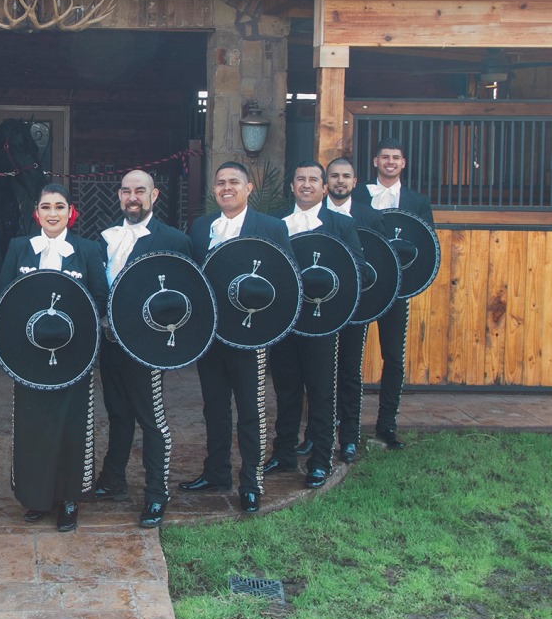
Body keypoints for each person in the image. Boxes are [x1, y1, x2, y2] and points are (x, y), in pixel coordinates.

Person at [179, 161, 292, 513]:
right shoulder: (200, 228)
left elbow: (287, 276)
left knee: (250, 409)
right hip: (211, 334)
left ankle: (252, 482)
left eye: (234, 182)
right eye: (220, 183)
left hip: (250, 334)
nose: (226, 188)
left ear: (248, 188)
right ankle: (216, 473)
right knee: (214, 405)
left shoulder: (271, 227)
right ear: (214, 190)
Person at [0, 183, 108, 532]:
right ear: (37, 213)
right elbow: (4, 299)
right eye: (46, 207)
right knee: (33, 426)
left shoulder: (88, 250)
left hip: (75, 355)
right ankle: (36, 498)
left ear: (70, 212)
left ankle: (70, 499)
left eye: (59, 206)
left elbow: (101, 300)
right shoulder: (19, 248)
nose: (52, 213)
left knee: (72, 426)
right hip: (28, 355)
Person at [87, 169, 190, 529]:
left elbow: (184, 296)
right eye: (127, 191)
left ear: (154, 196)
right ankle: (113, 480)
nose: (133, 197)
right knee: (117, 413)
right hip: (110, 343)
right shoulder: (103, 239)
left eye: (140, 191)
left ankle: (156, 495)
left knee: (152, 419)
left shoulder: (174, 240)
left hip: (147, 346)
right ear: (119, 196)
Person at [263, 160, 365, 489]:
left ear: (324, 188)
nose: (306, 184)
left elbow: (358, 269)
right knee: (286, 389)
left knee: (321, 392)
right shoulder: (275, 221)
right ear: (291, 187)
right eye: (300, 179)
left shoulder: (341, 224)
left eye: (313, 180)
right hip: (284, 320)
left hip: (323, 320)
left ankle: (321, 459)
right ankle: (284, 453)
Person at [351, 139, 435, 449]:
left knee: (394, 358)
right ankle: (348, 423)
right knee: (351, 358)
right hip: (364, 289)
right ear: (375, 161)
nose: (390, 162)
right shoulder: (358, 195)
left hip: (398, 292)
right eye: (384, 157)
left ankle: (387, 425)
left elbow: (427, 245)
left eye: (395, 158)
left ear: (403, 163)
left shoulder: (417, 201)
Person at [324, 156, 386, 464]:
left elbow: (376, 264)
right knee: (320, 376)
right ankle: (317, 437)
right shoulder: (314, 216)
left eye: (345, 176)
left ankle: (348, 437)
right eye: (334, 175)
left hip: (354, 309)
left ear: (355, 181)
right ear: (326, 183)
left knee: (349, 372)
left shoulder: (370, 217)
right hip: (319, 309)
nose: (340, 181)